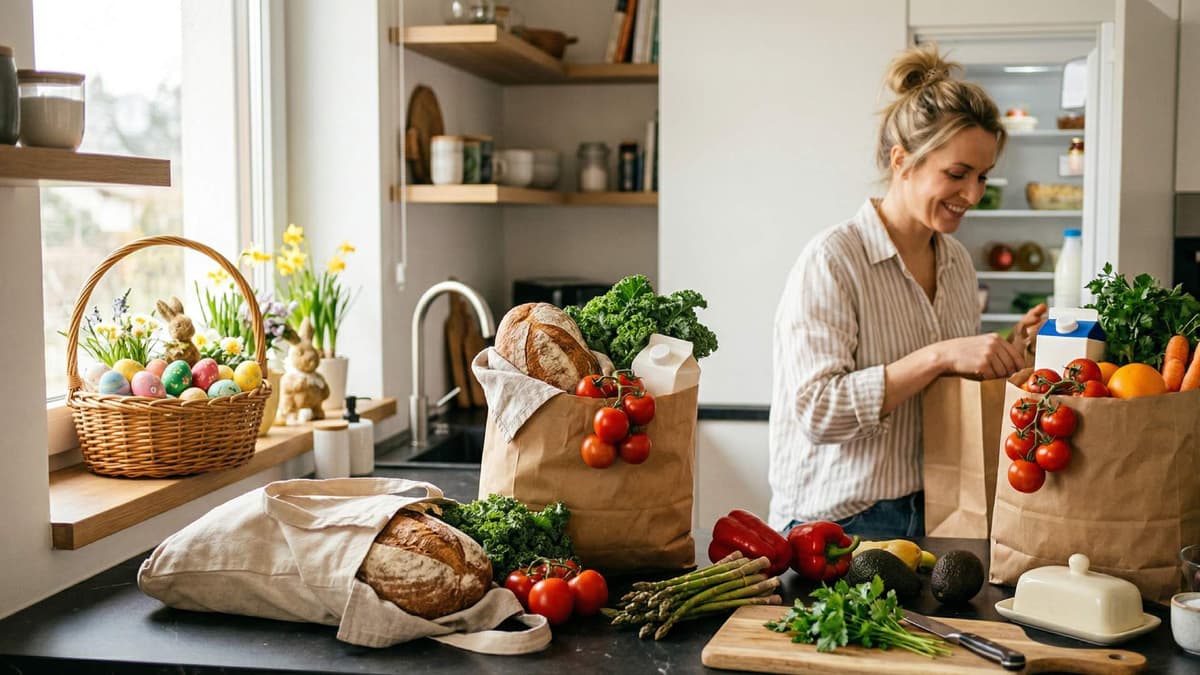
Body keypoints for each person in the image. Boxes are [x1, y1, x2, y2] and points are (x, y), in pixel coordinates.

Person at [768, 44, 1047, 539]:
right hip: (838, 522)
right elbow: (817, 411)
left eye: (982, 177)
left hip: (940, 507)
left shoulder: (957, 263)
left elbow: (947, 388)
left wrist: (1010, 350)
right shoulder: (833, 259)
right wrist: (939, 355)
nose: (973, 195)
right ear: (902, 161)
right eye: (957, 174)